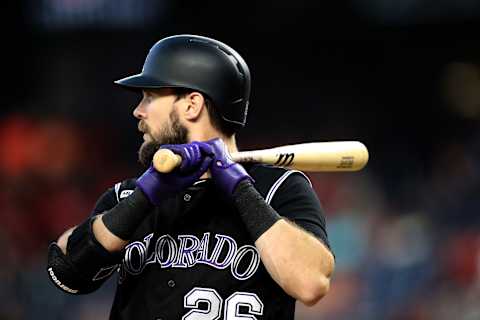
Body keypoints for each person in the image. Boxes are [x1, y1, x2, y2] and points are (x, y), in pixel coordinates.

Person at [47, 34, 335, 319]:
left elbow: (311, 284)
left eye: (149, 97)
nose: (138, 111)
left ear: (191, 104)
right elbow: (67, 271)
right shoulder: (130, 195)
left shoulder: (279, 189)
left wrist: (241, 191)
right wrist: (142, 199)